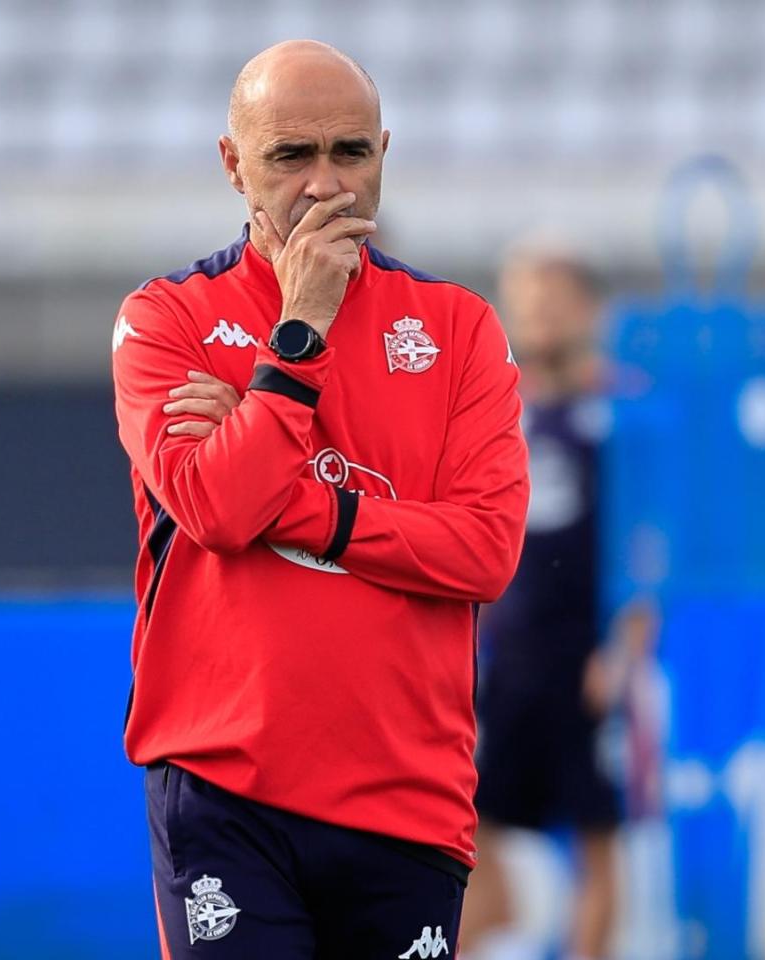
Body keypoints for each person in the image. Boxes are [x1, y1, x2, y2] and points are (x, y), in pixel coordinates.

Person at [109, 40, 529, 959]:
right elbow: (215, 510)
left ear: (385, 151)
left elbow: (485, 550)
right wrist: (298, 338)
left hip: (404, 796)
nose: (326, 183)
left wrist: (285, 495)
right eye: (290, 156)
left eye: (351, 152)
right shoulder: (165, 321)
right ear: (234, 165)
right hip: (226, 787)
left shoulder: (458, 329)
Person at [460, 242, 641, 960]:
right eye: (525, 300)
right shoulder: (500, 409)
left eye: (552, 299)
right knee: (468, 821)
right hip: (510, 655)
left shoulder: (627, 411)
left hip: (587, 656)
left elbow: (650, 543)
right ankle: (489, 917)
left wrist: (627, 648)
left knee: (597, 837)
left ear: (590, 309)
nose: (536, 315)